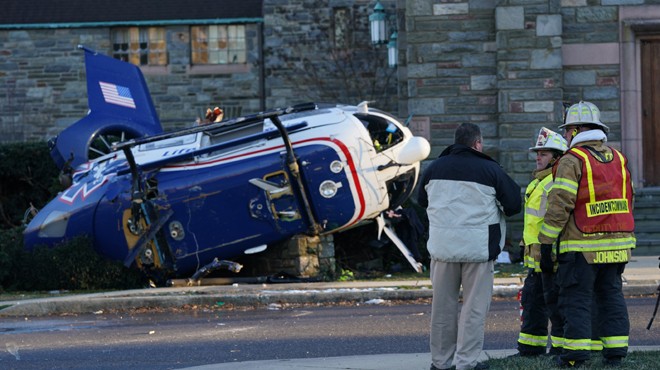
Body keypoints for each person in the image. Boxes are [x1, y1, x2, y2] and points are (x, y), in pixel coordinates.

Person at [538, 101, 635, 368]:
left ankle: (575, 356)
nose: (567, 135)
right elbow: (629, 198)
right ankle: (615, 354)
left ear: (577, 130)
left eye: (568, 130)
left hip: (581, 247)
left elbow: (560, 204)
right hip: (618, 245)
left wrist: (546, 243)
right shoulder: (620, 158)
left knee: (576, 299)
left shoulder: (572, 159)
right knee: (611, 295)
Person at [418, 122, 522, 370]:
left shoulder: (433, 168)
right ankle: (466, 363)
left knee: (442, 309)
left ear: (455, 143)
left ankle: (440, 363)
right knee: (473, 309)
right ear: (477, 144)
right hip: (479, 250)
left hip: (442, 250)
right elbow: (514, 204)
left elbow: (422, 201)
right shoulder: (490, 170)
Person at [515, 127, 568, 357]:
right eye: (538, 153)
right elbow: (533, 221)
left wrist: (548, 253)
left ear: (557, 158)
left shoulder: (555, 182)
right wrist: (521, 245)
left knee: (555, 306)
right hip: (536, 260)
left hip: (551, 259)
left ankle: (559, 349)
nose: (538, 157)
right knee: (532, 303)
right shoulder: (537, 182)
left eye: (544, 154)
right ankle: (529, 348)